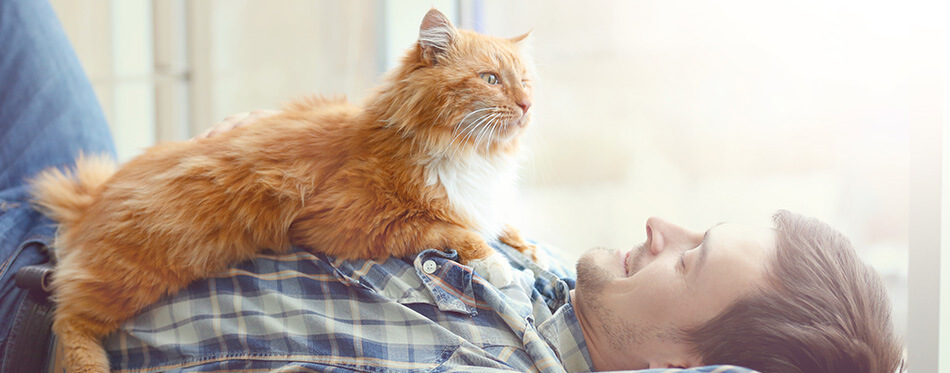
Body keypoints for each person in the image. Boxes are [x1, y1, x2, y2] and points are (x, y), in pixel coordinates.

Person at [0, 1, 903, 372]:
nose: (659, 224)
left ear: (682, 366)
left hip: (37, 306)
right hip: (103, 198)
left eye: (691, 255)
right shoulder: (561, 288)